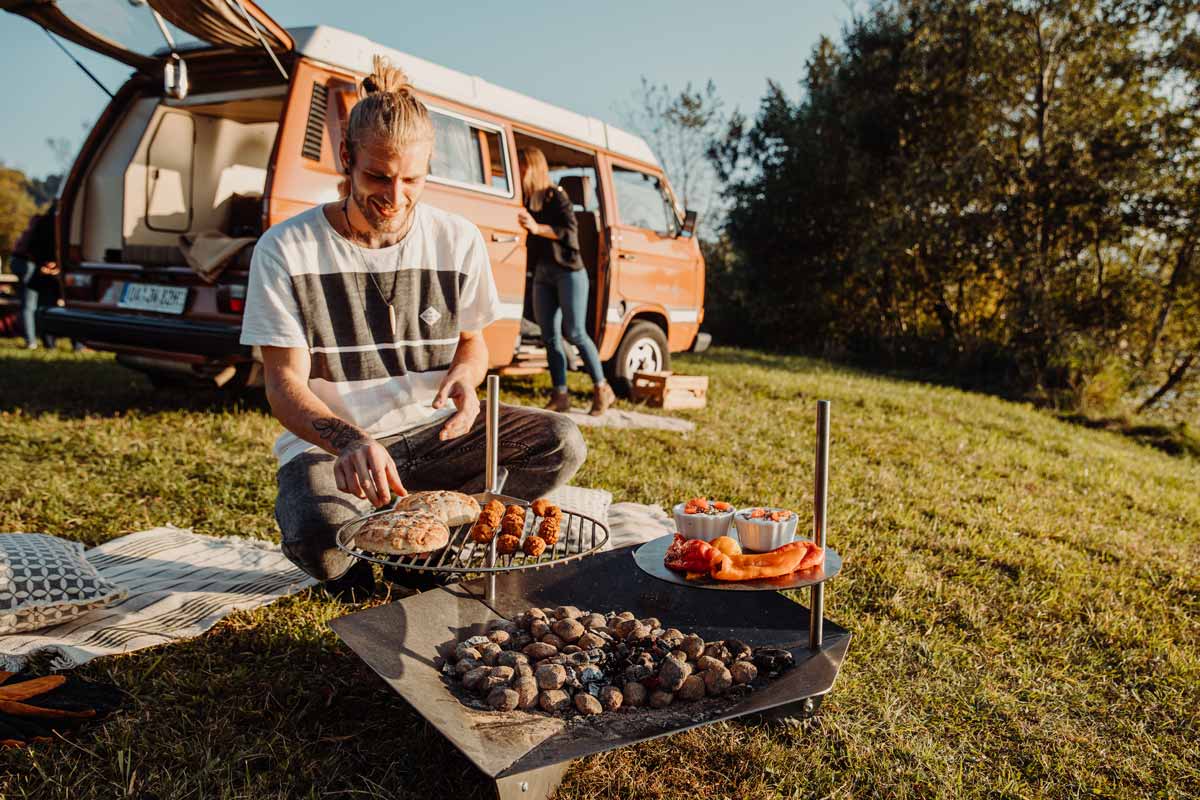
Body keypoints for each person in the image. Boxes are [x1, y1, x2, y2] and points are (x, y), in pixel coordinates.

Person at [240, 57, 586, 597]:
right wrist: (351, 441)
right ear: (347, 158)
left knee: (561, 441)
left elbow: (474, 343)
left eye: (413, 180)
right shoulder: (286, 248)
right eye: (378, 176)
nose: (395, 197)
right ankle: (361, 565)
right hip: (334, 446)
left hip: (432, 436)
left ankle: (425, 548)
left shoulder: (457, 239)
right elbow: (284, 387)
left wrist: (466, 380)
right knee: (319, 537)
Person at [517, 147, 615, 416]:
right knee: (549, 336)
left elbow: (569, 233)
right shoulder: (527, 200)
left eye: (524, 167)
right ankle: (560, 394)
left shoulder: (557, 197)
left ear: (534, 168)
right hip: (542, 274)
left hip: (569, 271)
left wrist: (537, 228)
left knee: (575, 333)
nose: (520, 172)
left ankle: (602, 388)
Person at [10, 208, 58, 350]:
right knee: (31, 304)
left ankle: (35, 340)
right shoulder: (51, 224)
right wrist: (49, 263)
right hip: (30, 263)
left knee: (32, 304)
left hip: (25, 262)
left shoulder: (42, 221)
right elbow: (40, 248)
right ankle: (33, 340)